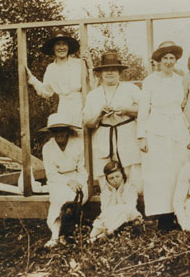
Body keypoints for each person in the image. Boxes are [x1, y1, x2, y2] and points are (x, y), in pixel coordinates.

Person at [137, 41, 190, 230]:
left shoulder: (180, 80)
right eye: (165, 58)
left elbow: (184, 105)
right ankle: (162, 217)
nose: (169, 62)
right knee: (159, 173)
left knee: (179, 168)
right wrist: (141, 136)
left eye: (172, 58)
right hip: (157, 128)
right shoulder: (150, 81)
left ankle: (179, 212)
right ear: (158, 61)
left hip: (177, 127)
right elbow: (143, 109)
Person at [83, 52, 143, 196]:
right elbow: (87, 122)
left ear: (119, 72)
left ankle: (132, 212)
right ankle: (109, 212)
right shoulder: (93, 95)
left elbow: (145, 111)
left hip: (127, 135)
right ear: (100, 74)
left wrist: (127, 110)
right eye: (106, 70)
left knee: (134, 180)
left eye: (113, 69)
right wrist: (100, 114)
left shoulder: (131, 89)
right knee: (106, 183)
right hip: (103, 138)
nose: (110, 73)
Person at [26, 29, 95, 126]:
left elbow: (93, 86)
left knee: (82, 134)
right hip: (64, 107)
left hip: (81, 105)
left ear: (68, 47)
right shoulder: (51, 68)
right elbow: (47, 92)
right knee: (66, 135)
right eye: (58, 44)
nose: (61, 47)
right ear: (53, 48)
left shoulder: (79, 63)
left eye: (64, 44)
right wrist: (31, 79)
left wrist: (90, 66)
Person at [40, 113, 88, 248]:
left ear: (68, 130)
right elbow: (51, 174)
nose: (59, 134)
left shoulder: (78, 144)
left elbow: (83, 169)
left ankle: (67, 234)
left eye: (62, 130)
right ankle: (56, 235)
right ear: (51, 133)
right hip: (58, 180)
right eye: (56, 131)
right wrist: (68, 182)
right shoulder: (48, 148)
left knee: (74, 199)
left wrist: (78, 183)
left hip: (79, 178)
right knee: (58, 200)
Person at [90, 161, 143, 241]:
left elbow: (130, 208)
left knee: (124, 211)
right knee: (106, 215)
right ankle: (93, 236)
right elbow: (105, 211)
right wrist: (114, 192)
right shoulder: (105, 192)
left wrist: (118, 193)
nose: (115, 180)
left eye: (117, 176)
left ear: (123, 175)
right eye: (111, 178)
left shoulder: (130, 187)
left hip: (129, 217)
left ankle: (107, 233)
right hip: (112, 218)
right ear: (107, 180)